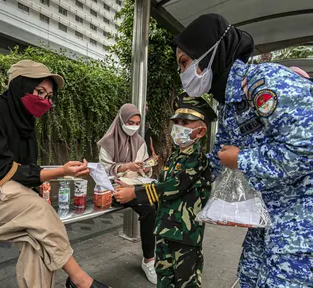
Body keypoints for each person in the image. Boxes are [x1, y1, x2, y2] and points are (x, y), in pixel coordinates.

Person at [0, 60, 110, 288]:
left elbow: (27, 173)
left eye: (49, 95)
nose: (45, 100)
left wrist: (54, 176)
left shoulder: (25, 126)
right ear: (19, 86)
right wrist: (60, 172)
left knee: (35, 238)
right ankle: (80, 279)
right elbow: (3, 170)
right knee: (38, 211)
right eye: (39, 92)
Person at [173, 13, 313, 288]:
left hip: (300, 224)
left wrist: (241, 160)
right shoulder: (229, 101)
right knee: (248, 278)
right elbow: (218, 156)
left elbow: (306, 147)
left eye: (185, 63)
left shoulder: (265, 82)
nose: (183, 73)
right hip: (266, 219)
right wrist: (175, 179)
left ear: (210, 53)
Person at [113, 92, 216, 288]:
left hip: (185, 236)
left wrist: (134, 192)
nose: (178, 128)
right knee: (164, 280)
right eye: (176, 122)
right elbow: (160, 185)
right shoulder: (176, 156)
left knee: (186, 283)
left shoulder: (197, 160)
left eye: (185, 123)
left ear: (201, 132)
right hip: (164, 230)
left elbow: (171, 188)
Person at [97, 103, 157, 284]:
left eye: (137, 123)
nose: (133, 126)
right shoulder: (107, 142)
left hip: (136, 185)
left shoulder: (140, 142)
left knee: (158, 204)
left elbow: (144, 169)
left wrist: (147, 167)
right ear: (121, 120)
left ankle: (153, 257)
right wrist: (126, 166)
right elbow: (104, 169)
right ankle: (149, 260)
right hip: (114, 188)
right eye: (130, 122)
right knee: (150, 208)